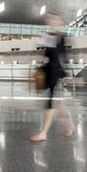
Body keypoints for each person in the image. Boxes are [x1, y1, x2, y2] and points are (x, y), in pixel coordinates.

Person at [30, 12, 74, 143]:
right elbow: (47, 55)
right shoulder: (48, 36)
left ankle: (43, 133)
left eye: (53, 19)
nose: (49, 21)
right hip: (49, 70)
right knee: (57, 101)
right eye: (48, 19)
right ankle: (70, 124)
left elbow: (65, 57)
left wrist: (77, 75)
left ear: (59, 21)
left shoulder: (62, 37)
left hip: (56, 71)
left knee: (50, 101)